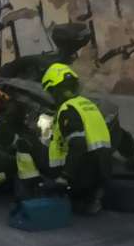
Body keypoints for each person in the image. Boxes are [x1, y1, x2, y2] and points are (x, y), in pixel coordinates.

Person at [41, 63, 113, 215]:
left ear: (56, 89)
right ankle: (90, 198)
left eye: (51, 91)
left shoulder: (67, 109)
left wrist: (64, 178)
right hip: (100, 176)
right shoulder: (87, 104)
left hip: (80, 176)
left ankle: (35, 193)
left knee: (27, 145)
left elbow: (78, 144)